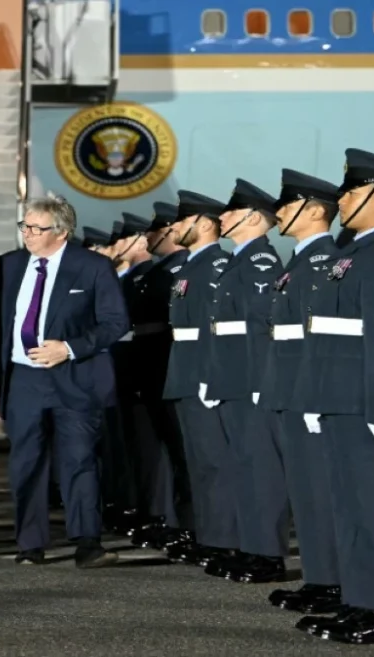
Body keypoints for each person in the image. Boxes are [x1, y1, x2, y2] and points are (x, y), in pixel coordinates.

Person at [292, 150, 374, 644]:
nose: (341, 200)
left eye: (352, 191)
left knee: (370, 507)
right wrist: (315, 397)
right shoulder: (353, 254)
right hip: (338, 399)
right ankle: (360, 599)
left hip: (366, 403)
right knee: (347, 507)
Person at [0, 198, 128, 567]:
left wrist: (69, 348)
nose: (27, 234)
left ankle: (87, 543)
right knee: (26, 463)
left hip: (76, 377)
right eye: (24, 226)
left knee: (80, 460)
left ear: (62, 232)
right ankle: (30, 544)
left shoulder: (93, 267)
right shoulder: (8, 266)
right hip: (23, 379)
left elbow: (116, 322)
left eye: (36, 228)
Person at [259, 169, 342, 614]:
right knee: (304, 490)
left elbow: (321, 340)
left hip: (306, 391)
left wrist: (313, 395)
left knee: (319, 490)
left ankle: (333, 580)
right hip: (288, 389)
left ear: (314, 211)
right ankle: (320, 577)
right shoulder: (299, 261)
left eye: (289, 205)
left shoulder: (324, 262)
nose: (280, 212)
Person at [198, 179, 287, 583]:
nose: (223, 217)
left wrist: (259, 381)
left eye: (231, 212)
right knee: (244, 467)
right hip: (233, 379)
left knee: (261, 469)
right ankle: (251, 547)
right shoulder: (240, 260)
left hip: (250, 380)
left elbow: (260, 327)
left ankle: (267, 554)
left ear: (252, 218)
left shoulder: (259, 261)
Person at [161, 191, 235, 570]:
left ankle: (223, 540)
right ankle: (207, 535)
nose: (174, 227)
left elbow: (215, 327)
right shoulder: (193, 265)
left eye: (182, 220)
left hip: (202, 374)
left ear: (204, 224)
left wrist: (211, 376)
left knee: (215, 464)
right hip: (185, 372)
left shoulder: (217, 265)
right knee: (197, 464)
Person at [128, 202, 193, 552]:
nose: (148, 237)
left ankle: (182, 522)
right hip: (151, 363)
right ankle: (166, 516)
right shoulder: (161, 269)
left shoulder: (180, 268)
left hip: (167, 361)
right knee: (160, 448)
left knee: (178, 449)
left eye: (155, 230)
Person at [103, 213, 156, 536]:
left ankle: (141, 508)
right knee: (125, 444)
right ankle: (127, 503)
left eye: (123, 239)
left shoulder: (146, 276)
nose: (117, 246)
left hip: (137, 367)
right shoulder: (129, 278)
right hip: (121, 367)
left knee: (142, 446)